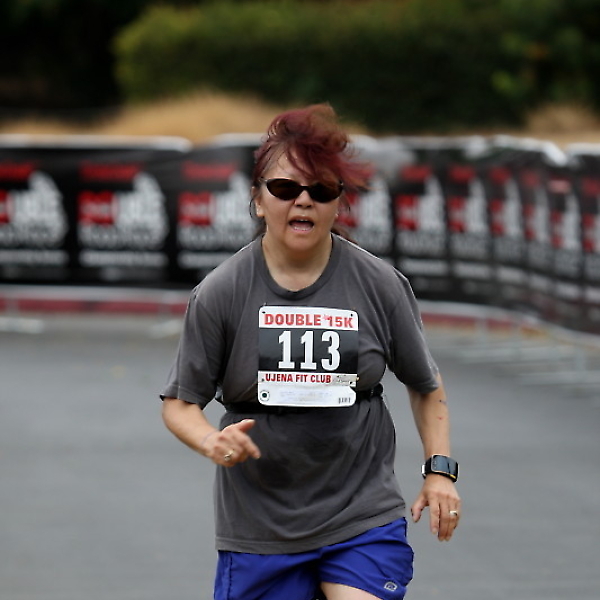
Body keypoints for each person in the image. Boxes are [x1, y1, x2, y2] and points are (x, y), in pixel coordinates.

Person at [160, 103, 461, 600]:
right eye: (285, 188)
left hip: (361, 514)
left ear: (338, 202)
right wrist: (210, 441)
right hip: (261, 528)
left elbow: (426, 385)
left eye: (321, 189)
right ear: (258, 199)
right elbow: (179, 402)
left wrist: (440, 472)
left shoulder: (380, 285)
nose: (303, 200)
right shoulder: (222, 292)